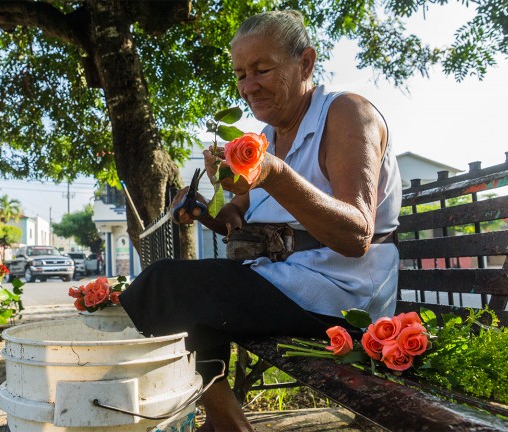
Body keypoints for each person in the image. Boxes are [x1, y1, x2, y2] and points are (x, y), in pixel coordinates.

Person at [120, 10, 401, 431]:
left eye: (262, 70)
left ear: (305, 63)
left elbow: (356, 234)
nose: (249, 87)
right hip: (285, 282)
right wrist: (206, 211)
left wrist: (275, 173)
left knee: (164, 285)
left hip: (342, 295)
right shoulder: (266, 138)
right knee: (189, 311)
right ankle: (225, 423)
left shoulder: (346, 114)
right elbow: (238, 216)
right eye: (240, 75)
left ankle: (229, 427)